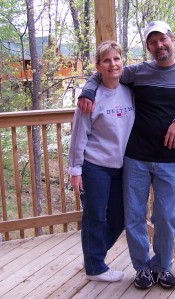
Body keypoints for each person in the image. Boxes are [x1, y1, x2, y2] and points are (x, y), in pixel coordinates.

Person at [78, 20, 175, 290]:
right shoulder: (140, 72)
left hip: (168, 160)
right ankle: (142, 269)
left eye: (163, 39)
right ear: (148, 47)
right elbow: (106, 72)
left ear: (172, 40)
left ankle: (162, 267)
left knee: (166, 217)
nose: (159, 45)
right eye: (153, 42)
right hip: (135, 158)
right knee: (134, 216)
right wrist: (89, 89)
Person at [68, 41, 135, 282]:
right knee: (95, 215)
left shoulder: (129, 91)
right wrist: (75, 170)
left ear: (122, 62)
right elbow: (78, 135)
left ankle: (93, 256)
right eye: (106, 60)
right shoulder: (91, 97)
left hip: (122, 166)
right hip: (94, 166)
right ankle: (95, 267)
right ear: (98, 66)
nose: (112, 64)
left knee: (119, 217)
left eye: (116, 59)